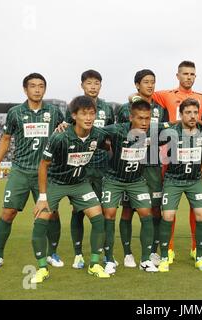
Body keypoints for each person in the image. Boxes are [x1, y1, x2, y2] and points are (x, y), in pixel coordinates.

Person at [0, 73, 65, 271]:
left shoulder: (55, 112)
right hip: (20, 171)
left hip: (46, 172)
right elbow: (5, 139)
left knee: (51, 214)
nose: (37, 89)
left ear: (45, 89)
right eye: (33, 86)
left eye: (41, 86)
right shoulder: (15, 112)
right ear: (25, 89)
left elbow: (64, 134)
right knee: (8, 212)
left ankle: (52, 253)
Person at [31, 95, 109, 283]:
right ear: (74, 116)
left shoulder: (98, 135)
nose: (89, 117)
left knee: (99, 218)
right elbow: (43, 165)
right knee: (40, 221)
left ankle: (95, 264)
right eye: (84, 114)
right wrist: (42, 196)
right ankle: (42, 268)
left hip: (80, 183)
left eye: (92, 113)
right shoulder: (60, 136)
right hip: (56, 183)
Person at [152, 60, 202, 263]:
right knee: (169, 208)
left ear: (195, 77)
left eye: (192, 74)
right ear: (177, 75)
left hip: (195, 155)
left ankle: (197, 248)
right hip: (169, 156)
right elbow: (140, 97)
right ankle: (168, 249)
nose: (188, 77)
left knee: (198, 209)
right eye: (185, 73)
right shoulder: (166, 95)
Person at [100, 99, 170, 274]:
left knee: (146, 213)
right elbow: (92, 130)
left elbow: (175, 125)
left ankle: (145, 260)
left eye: (147, 118)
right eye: (140, 118)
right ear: (131, 117)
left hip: (137, 181)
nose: (145, 122)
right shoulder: (116, 130)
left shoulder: (153, 131)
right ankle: (108, 259)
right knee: (109, 214)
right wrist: (65, 124)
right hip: (114, 179)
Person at [115, 69, 168, 268]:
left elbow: (164, 132)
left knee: (155, 210)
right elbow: (119, 134)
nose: (150, 85)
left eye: (153, 82)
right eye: (146, 82)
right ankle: (128, 253)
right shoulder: (124, 109)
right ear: (137, 85)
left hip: (153, 164)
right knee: (127, 211)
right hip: (131, 164)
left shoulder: (160, 109)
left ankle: (153, 251)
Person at [66, 70, 115, 269]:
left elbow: (110, 137)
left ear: (100, 86)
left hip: (103, 168)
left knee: (104, 212)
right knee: (78, 212)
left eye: (96, 83)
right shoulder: (74, 106)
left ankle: (103, 252)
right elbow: (68, 131)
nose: (93, 86)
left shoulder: (107, 109)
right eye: (89, 83)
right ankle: (78, 254)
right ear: (82, 85)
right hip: (81, 168)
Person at [157, 98, 202, 272]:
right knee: (168, 215)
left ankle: (200, 257)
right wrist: (171, 123)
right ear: (181, 115)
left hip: (195, 180)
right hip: (173, 179)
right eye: (188, 112)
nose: (193, 116)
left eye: (195, 112)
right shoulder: (171, 131)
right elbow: (150, 132)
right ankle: (165, 257)